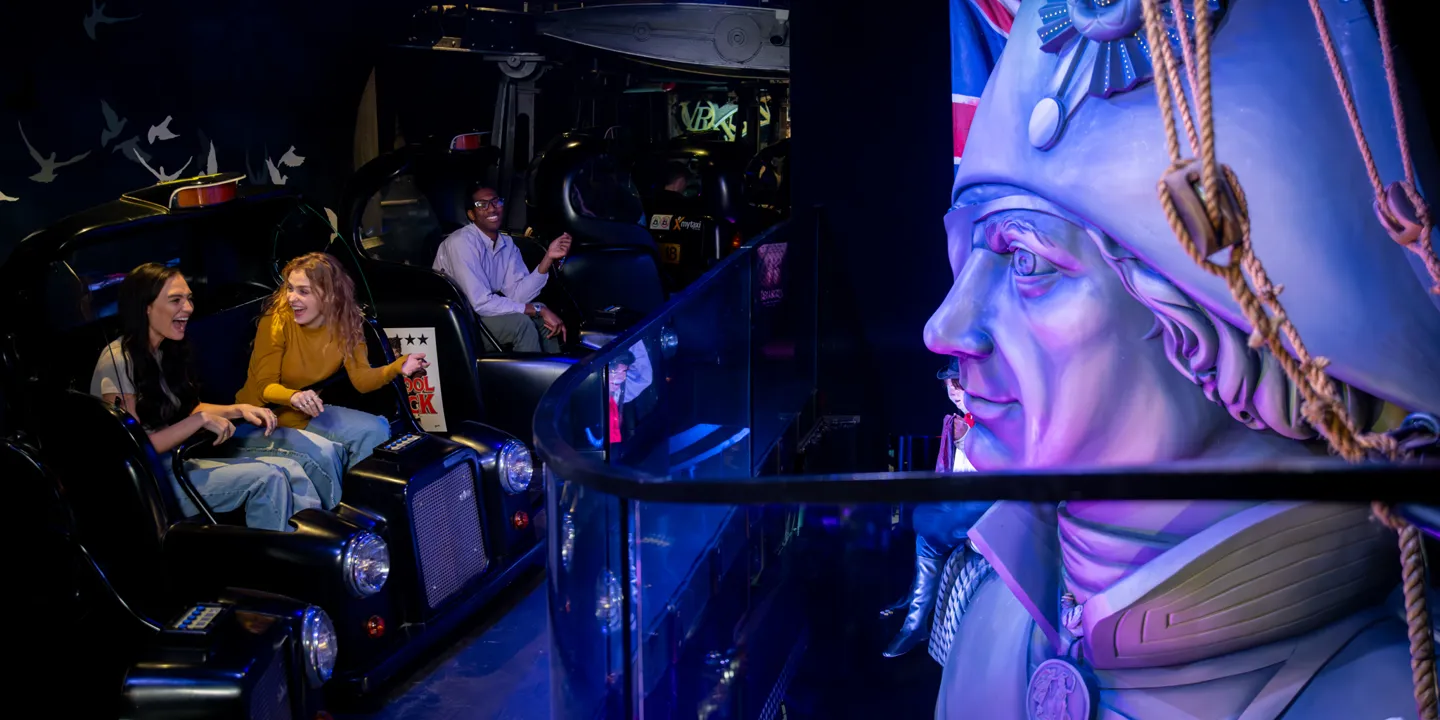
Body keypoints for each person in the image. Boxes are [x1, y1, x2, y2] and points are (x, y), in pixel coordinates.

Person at [920, 0, 1440, 717]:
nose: (944, 329)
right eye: (966, 255)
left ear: (1226, 329)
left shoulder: (1391, 698)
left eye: (1028, 263)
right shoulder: (989, 628)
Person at [91, 263, 331, 532]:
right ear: (146, 307)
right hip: (150, 484)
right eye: (175, 300)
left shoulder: (166, 350)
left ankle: (313, 551)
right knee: (267, 478)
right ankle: (274, 567)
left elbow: (188, 409)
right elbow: (137, 445)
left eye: (189, 299)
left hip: (177, 462)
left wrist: (239, 409)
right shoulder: (117, 360)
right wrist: (201, 420)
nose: (188, 308)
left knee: (291, 469)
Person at [236, 252, 428, 469]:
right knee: (326, 453)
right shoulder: (276, 320)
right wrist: (295, 397)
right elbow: (264, 387)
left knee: (376, 429)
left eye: (303, 291)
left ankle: (361, 496)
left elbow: (361, 380)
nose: (291, 298)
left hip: (306, 414)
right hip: (262, 419)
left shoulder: (346, 322)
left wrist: (396, 367)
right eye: (290, 288)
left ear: (328, 296)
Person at [880, 358, 988, 659]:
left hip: (993, 505)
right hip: (971, 500)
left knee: (925, 529)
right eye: (949, 383)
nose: (952, 389)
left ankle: (916, 621)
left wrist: (966, 441)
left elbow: (996, 464)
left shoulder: (990, 420)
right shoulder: (966, 418)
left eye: (959, 381)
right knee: (919, 521)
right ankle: (915, 602)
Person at [433, 184, 572, 353]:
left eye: (495, 202)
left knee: (544, 322)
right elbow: (480, 303)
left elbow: (519, 296)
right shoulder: (461, 242)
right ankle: (528, 379)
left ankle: (555, 377)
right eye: (482, 205)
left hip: (483, 316)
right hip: (458, 323)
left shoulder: (507, 244)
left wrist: (548, 258)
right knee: (522, 324)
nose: (492, 209)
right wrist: (538, 310)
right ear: (471, 214)